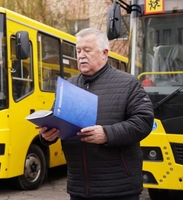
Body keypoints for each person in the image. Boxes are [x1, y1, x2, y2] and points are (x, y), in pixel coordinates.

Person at [39, 28, 154, 200]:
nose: (81, 55)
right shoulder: (69, 86)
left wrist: (107, 134)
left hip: (119, 189)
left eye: (87, 50)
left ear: (104, 53)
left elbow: (143, 122)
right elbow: (56, 119)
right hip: (79, 188)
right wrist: (47, 136)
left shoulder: (127, 83)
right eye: (78, 51)